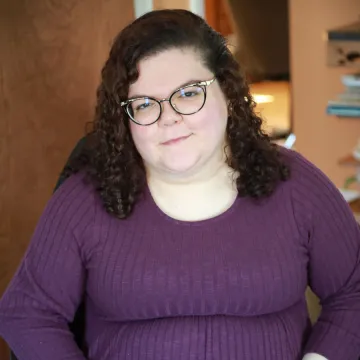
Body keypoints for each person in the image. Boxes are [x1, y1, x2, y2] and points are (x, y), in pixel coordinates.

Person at [0, 9, 359, 360]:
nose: (168, 119)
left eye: (189, 94)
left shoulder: (296, 186)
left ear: (228, 93)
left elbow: (353, 292)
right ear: (125, 118)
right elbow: (27, 312)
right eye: (143, 104)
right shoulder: (85, 199)